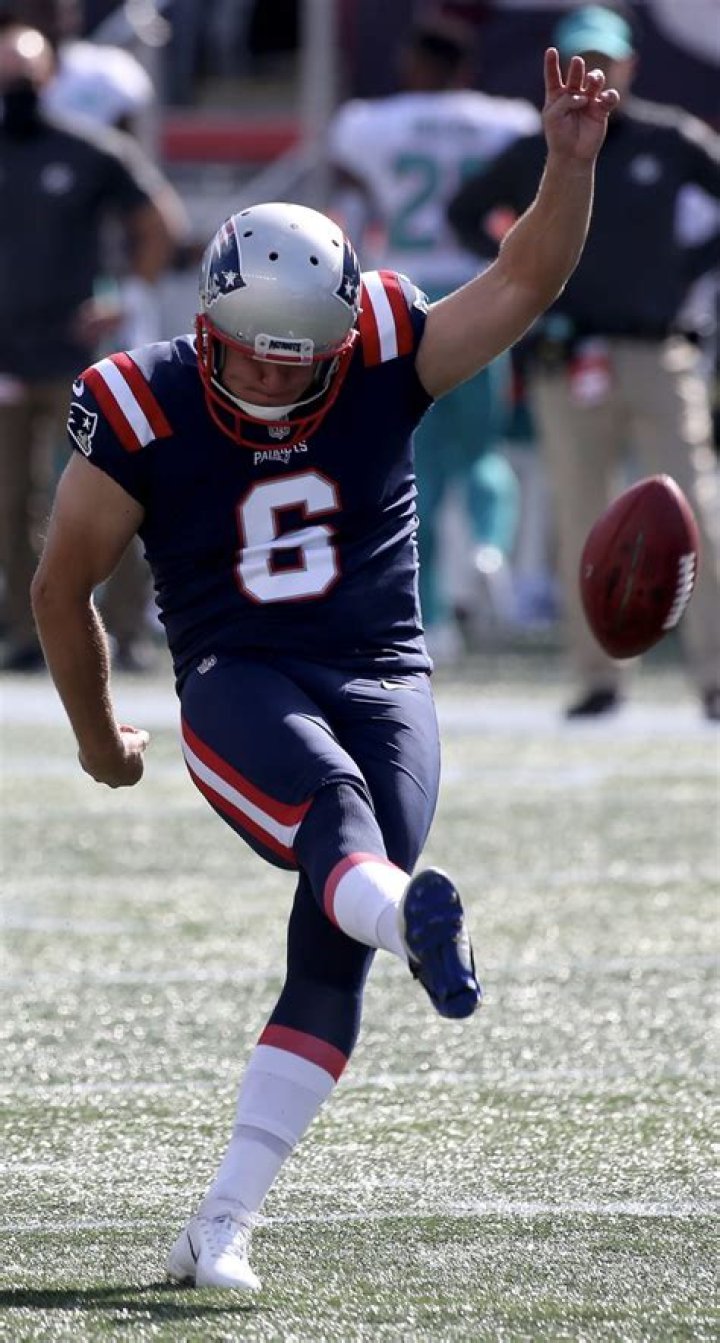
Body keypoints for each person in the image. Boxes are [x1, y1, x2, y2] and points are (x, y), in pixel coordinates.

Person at [31, 49, 619, 1291]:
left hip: (385, 670)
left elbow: (524, 277)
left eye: (301, 355)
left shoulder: (388, 345)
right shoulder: (142, 400)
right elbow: (59, 583)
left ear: (343, 335)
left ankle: (221, 1223)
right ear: (207, 323)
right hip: (238, 672)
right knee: (340, 818)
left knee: (338, 936)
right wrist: (97, 738)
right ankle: (414, 919)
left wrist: (568, 166)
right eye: (253, 353)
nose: (275, 376)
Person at [448, 4, 720, 720]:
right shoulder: (534, 149)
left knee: (697, 511)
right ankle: (600, 675)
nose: (595, 74)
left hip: (660, 350)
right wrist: (523, 273)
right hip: (570, 355)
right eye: (582, 61)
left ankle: (716, 673)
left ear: (631, 64)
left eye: (605, 61)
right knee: (582, 517)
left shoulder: (670, 138)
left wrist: (685, 269)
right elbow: (464, 211)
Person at [327, 14, 541, 660]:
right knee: (483, 452)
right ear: (466, 70)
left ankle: (432, 612)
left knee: (413, 464)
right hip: (482, 297)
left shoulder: (369, 123)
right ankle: (487, 548)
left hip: (400, 303)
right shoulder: (505, 122)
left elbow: (349, 207)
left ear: (412, 65)